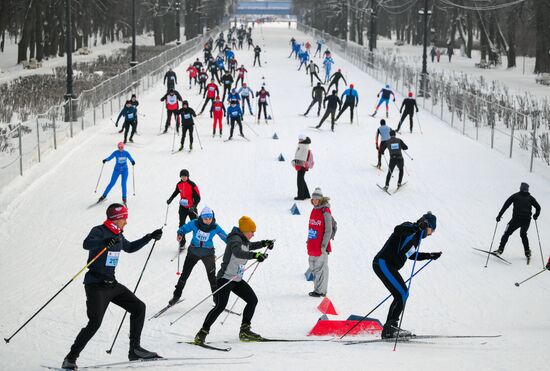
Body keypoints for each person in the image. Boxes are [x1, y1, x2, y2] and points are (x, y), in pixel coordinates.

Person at [61, 204, 163, 370]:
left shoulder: (118, 234)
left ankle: (135, 350)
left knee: (139, 307)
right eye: (124, 218)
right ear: (117, 218)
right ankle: (70, 359)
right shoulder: (100, 231)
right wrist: (104, 241)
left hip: (112, 284)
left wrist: (149, 237)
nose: (126, 222)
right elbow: (86, 244)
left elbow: (129, 248)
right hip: (96, 285)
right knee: (94, 323)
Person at [193, 216, 274, 344]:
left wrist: (264, 243)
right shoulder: (235, 240)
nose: (253, 234)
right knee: (220, 306)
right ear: (245, 231)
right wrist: (255, 255)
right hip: (225, 278)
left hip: (236, 279)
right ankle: (202, 333)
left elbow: (250, 246)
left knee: (252, 300)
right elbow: (238, 253)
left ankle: (245, 331)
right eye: (251, 232)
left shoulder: (243, 239)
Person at [373, 212, 441, 339]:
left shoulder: (416, 239)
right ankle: (390, 328)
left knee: (401, 294)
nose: (430, 235)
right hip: (383, 263)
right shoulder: (409, 227)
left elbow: (411, 255)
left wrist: (429, 255)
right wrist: (417, 227)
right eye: (431, 231)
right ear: (427, 226)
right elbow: (398, 230)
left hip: (389, 266)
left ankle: (389, 328)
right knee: (402, 293)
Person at [168, 206, 228, 305]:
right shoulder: (195, 223)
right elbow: (183, 229)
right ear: (201, 218)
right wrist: (180, 234)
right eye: (205, 218)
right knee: (184, 275)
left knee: (212, 278)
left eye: (210, 218)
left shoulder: (215, 227)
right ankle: (176, 296)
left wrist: (233, 244)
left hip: (208, 254)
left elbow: (225, 237)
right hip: (193, 253)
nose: (208, 221)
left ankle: (216, 299)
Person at [495, 183, 541, 259]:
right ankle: (527, 252)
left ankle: (500, 249)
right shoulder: (530, 198)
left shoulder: (515, 196)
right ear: (527, 189)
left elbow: (505, 206)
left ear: (520, 188)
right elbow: (538, 207)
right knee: (523, 234)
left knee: (506, 233)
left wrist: (499, 216)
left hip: (515, 220)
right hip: (526, 221)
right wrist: (536, 215)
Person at [307, 188, 333, 297]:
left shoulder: (325, 211)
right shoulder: (314, 209)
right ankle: (317, 289)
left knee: (321, 268)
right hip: (312, 244)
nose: (315, 201)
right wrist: (308, 239)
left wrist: (324, 245)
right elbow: (312, 226)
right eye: (313, 199)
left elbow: (328, 229)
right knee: (313, 268)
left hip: (321, 246)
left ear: (321, 199)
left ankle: (320, 291)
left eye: (317, 199)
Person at [166, 169, 201, 249]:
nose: (183, 178)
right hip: (182, 207)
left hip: (191, 208)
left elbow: (198, 197)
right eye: (182, 176)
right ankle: (182, 243)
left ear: (188, 176)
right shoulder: (179, 184)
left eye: (185, 176)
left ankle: (196, 243)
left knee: (196, 225)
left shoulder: (192, 185)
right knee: (181, 225)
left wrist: (194, 206)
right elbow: (176, 192)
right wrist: (171, 199)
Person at [292, 135, 314, 200]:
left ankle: (301, 196)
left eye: (301, 139)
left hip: (302, 165)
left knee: (300, 180)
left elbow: (303, 158)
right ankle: (306, 194)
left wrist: (296, 162)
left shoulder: (304, 146)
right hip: (301, 165)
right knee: (301, 179)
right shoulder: (302, 145)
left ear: (304, 139)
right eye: (299, 139)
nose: (300, 140)